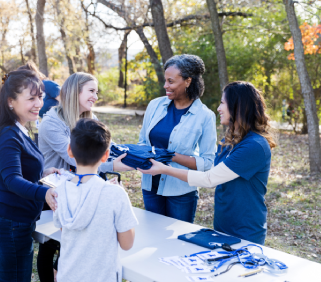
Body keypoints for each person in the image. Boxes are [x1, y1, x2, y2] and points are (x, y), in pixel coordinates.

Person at [139, 81, 276, 245]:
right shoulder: (230, 140)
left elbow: (209, 179)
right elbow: (211, 171)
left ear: (238, 106)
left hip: (245, 229)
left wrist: (165, 169)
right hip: (223, 222)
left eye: (223, 103)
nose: (218, 108)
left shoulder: (254, 146)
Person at [0, 69, 59, 281]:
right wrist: (45, 193)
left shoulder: (19, 128)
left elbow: (16, 170)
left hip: (11, 223)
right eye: (31, 98)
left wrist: (44, 173)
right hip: (8, 224)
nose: (38, 103)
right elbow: (11, 180)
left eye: (41, 97)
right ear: (10, 102)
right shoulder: (8, 133)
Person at [53, 118, 138, 282]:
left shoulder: (60, 190)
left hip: (68, 276)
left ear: (69, 150)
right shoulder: (115, 194)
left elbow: (66, 231)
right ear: (106, 155)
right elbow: (127, 244)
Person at [137, 54, 217, 223]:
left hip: (180, 192)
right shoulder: (155, 105)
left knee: (179, 244)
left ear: (188, 81)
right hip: (150, 186)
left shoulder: (205, 116)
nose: (166, 85)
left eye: (171, 81)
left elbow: (207, 162)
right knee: (153, 238)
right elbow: (143, 141)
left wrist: (169, 155)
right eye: (165, 80)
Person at [39, 72, 131, 172]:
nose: (96, 98)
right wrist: (111, 166)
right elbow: (75, 158)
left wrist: (135, 158)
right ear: (75, 91)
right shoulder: (50, 123)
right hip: (59, 185)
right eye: (91, 91)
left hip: (86, 182)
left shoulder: (90, 118)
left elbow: (108, 146)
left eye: (96, 93)